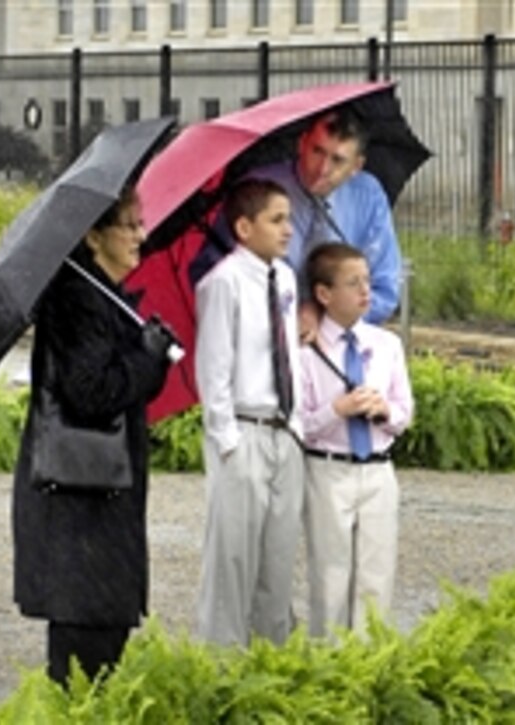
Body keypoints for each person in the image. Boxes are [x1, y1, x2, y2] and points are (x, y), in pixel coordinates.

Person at [12, 187, 176, 685]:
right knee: (84, 647)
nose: (140, 236)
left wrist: (150, 351)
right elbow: (93, 391)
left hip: (103, 494)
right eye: (128, 225)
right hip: (78, 500)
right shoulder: (76, 299)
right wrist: (147, 355)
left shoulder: (107, 296)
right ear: (93, 235)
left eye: (139, 224)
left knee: (105, 634)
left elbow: (125, 389)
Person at [194, 178, 305, 647]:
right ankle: (221, 662)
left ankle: (271, 666)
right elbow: (214, 366)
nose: (287, 230)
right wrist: (227, 440)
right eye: (276, 220)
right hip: (244, 429)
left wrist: (297, 427)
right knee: (233, 560)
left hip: (284, 432)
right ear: (243, 226)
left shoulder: (286, 278)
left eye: (289, 219)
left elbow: (288, 356)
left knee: (277, 561)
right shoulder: (223, 283)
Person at [297, 242, 413, 637]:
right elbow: (300, 423)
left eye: (367, 280)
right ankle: (328, 662)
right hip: (328, 470)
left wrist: (385, 411)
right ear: (324, 294)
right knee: (330, 575)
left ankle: (369, 663)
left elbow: (404, 412)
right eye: (353, 283)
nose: (366, 290)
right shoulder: (307, 350)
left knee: (376, 576)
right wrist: (338, 409)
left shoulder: (385, 346)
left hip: (378, 470)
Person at [243, 108, 402, 332]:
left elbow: (385, 289)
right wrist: (287, 317)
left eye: (337, 160)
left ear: (356, 166)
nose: (322, 168)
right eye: (317, 151)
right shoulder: (259, 189)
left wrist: (326, 316)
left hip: (339, 340)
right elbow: (219, 270)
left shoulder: (368, 196)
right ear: (302, 144)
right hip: (268, 334)